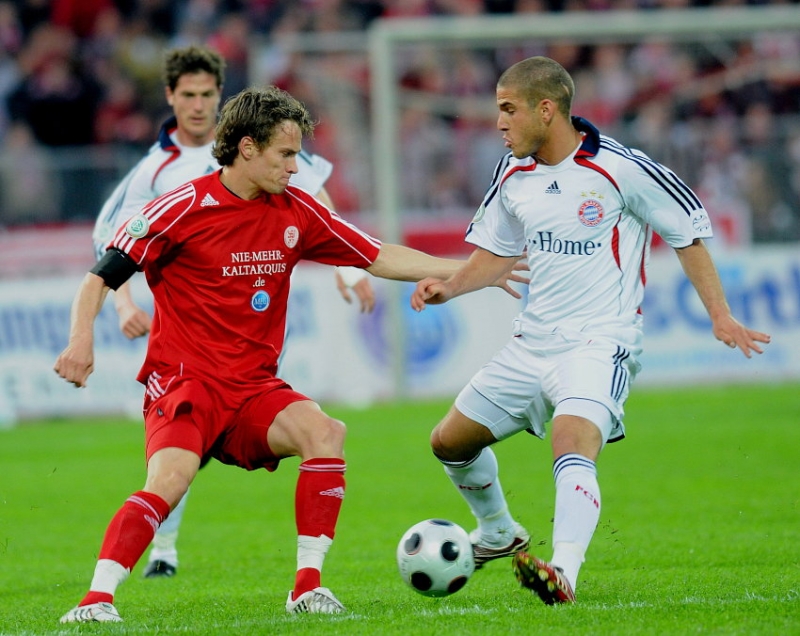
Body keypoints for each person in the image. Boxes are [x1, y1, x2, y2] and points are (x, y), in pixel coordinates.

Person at [54, 84, 526, 623]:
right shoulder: (182, 207)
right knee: (170, 481)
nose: (295, 168)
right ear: (247, 148)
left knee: (326, 432)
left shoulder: (296, 210)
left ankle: (307, 587)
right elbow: (100, 276)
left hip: (253, 388)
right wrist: (80, 339)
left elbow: (378, 255)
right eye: (285, 154)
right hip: (185, 382)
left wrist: (469, 272)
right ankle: (95, 600)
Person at [410, 56, 771, 606]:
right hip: (532, 342)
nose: (499, 123)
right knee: (448, 442)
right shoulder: (512, 173)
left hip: (600, 342)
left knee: (570, 441)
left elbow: (687, 234)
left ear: (546, 109)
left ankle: (563, 573)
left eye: (509, 110)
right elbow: (495, 254)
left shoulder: (620, 168)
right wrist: (448, 286)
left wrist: (720, 315)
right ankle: (500, 531)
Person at [92, 45, 375, 580]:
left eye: (208, 95)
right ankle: (159, 554)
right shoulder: (158, 174)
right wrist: (123, 302)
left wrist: (351, 268)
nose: (198, 105)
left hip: (252, 359)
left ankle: (307, 584)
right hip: (189, 349)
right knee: (175, 467)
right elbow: (113, 245)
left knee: (314, 429)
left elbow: (321, 207)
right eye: (188, 95)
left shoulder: (275, 149)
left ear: (221, 98)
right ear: (171, 98)